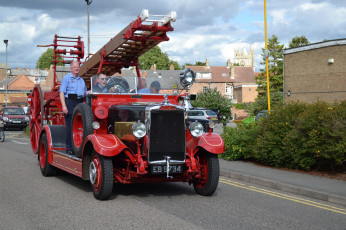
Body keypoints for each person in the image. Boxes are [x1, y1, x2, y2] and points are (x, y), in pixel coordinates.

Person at [59, 61, 88, 154]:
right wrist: (64, 106)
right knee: (71, 125)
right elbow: (62, 93)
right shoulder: (66, 78)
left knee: (79, 125)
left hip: (79, 102)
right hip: (69, 102)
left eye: (78, 67)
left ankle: (78, 146)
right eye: (74, 67)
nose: (76, 68)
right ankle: (69, 147)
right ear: (71, 68)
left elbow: (85, 93)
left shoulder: (81, 80)